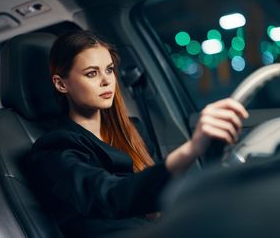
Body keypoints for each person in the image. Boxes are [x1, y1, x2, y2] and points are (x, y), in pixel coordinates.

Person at [30, 30, 248, 238]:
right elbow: (111, 196)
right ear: (61, 84)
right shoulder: (55, 148)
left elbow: (157, 199)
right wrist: (191, 149)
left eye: (109, 70)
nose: (107, 81)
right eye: (91, 73)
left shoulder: (132, 130)